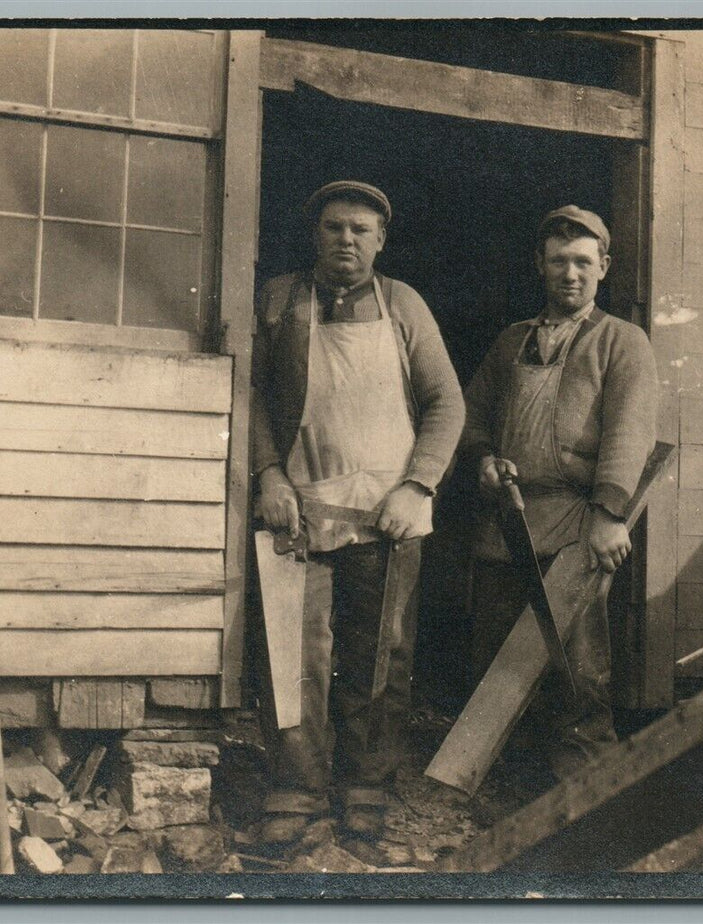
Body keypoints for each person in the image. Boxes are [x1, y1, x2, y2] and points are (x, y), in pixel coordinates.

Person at [250, 181, 463, 844]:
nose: (347, 240)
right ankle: (296, 788)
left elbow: (446, 406)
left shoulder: (404, 306)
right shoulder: (280, 299)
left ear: (380, 241)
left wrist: (417, 486)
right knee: (293, 655)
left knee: (379, 655)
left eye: (361, 230)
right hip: (298, 508)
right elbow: (248, 395)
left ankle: (365, 784)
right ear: (316, 234)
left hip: (385, 515)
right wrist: (267, 473)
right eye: (335, 227)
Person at [461, 205, 660, 780]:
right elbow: (471, 417)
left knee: (578, 663)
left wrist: (609, 515)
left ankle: (583, 786)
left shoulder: (623, 341)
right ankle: (506, 785)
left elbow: (630, 431)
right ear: (540, 267)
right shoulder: (511, 342)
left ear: (604, 267)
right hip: (510, 522)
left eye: (581, 262)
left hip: (578, 521)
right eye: (557, 261)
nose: (569, 273)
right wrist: (482, 460)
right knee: (499, 653)